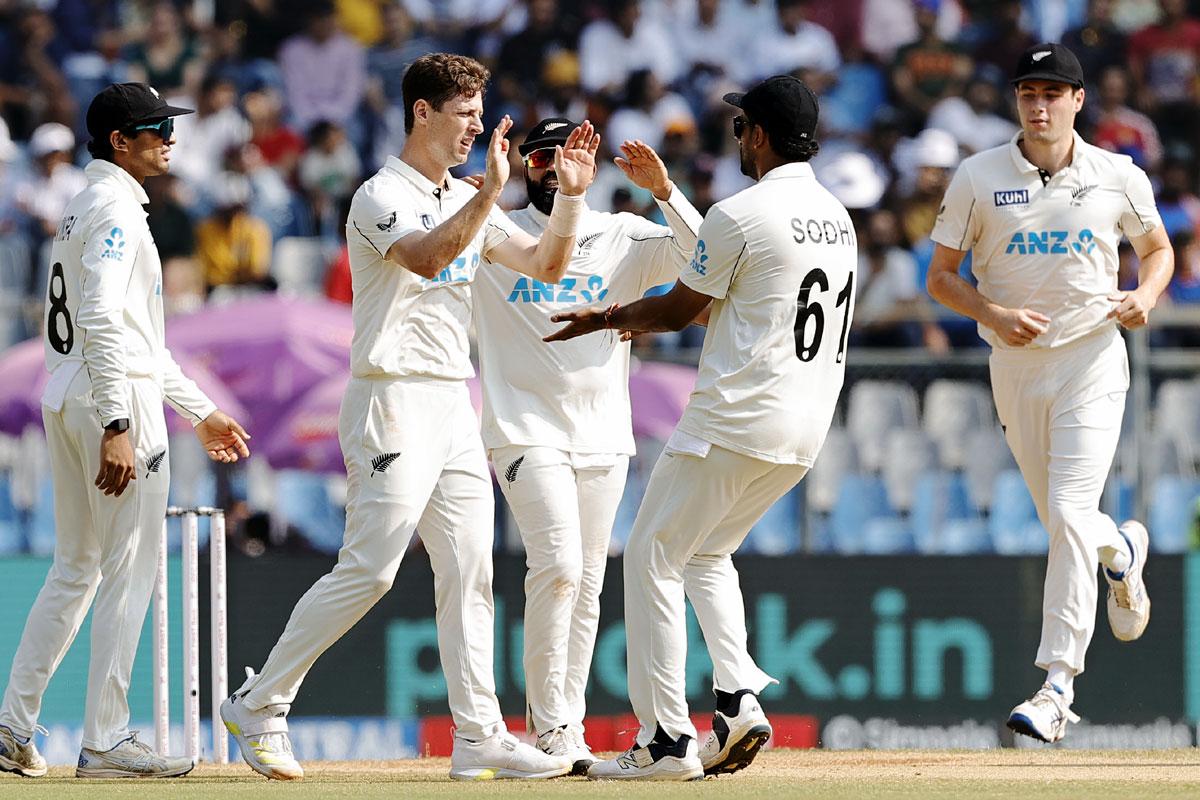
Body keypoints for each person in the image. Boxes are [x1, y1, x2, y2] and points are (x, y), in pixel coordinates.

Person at [219, 53, 598, 783]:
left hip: (452, 400)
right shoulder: (378, 195)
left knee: (470, 569)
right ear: (421, 112)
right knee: (372, 570)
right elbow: (427, 258)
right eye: (463, 117)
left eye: (480, 119)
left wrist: (572, 200)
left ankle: (479, 734)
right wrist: (487, 194)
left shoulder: (465, 193)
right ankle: (261, 701)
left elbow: (547, 268)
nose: (475, 132)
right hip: (389, 398)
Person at [546, 75, 857, 780]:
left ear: (759, 135)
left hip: (733, 419)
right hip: (804, 430)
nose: (737, 136)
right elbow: (742, 284)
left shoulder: (743, 212)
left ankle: (664, 741)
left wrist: (607, 316)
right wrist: (667, 194)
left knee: (653, 555)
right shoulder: (839, 217)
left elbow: (680, 310)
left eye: (741, 124)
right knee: (707, 556)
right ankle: (739, 696)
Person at [0, 82, 251, 779]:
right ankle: (105, 740)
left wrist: (199, 409)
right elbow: (107, 322)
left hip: (72, 394)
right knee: (129, 569)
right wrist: (117, 421)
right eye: (156, 127)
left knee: (75, 568)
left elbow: (134, 339)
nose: (169, 137)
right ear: (119, 140)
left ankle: (14, 725)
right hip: (112, 403)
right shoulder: (115, 211)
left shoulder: (84, 206)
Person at [927, 43, 1173, 744]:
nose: (1038, 106)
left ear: (1077, 101)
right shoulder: (977, 177)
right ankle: (1122, 552)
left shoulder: (1117, 175)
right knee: (1064, 523)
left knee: (1068, 512)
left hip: (1093, 358)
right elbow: (941, 276)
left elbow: (1157, 250)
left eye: (1052, 94)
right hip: (1015, 366)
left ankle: (1057, 687)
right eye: (1027, 93)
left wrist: (1145, 294)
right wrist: (993, 314)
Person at [472, 119, 702, 773]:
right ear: (524, 164)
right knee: (560, 566)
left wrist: (664, 191)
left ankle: (566, 724)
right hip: (522, 428)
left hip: (602, 431)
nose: (551, 165)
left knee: (589, 581)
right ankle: (549, 728)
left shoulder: (621, 234)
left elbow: (703, 257)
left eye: (565, 154)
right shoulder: (497, 231)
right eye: (540, 155)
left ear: (589, 162)